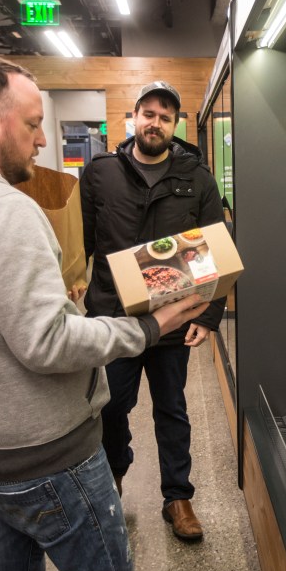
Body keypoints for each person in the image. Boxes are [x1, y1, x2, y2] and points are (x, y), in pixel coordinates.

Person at [0, 55, 209, 571]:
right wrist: (150, 326)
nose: (41, 141)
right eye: (32, 124)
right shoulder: (3, 209)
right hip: (46, 455)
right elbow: (47, 342)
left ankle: (177, 495)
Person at [80, 81, 226, 542]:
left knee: (173, 408)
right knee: (111, 408)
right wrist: (70, 279)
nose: (155, 123)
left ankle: (178, 498)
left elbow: (216, 251)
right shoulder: (100, 172)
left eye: (165, 117)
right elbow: (78, 239)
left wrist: (207, 315)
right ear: (134, 117)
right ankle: (113, 483)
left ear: (175, 125)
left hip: (172, 318)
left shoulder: (197, 178)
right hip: (112, 320)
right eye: (148, 113)